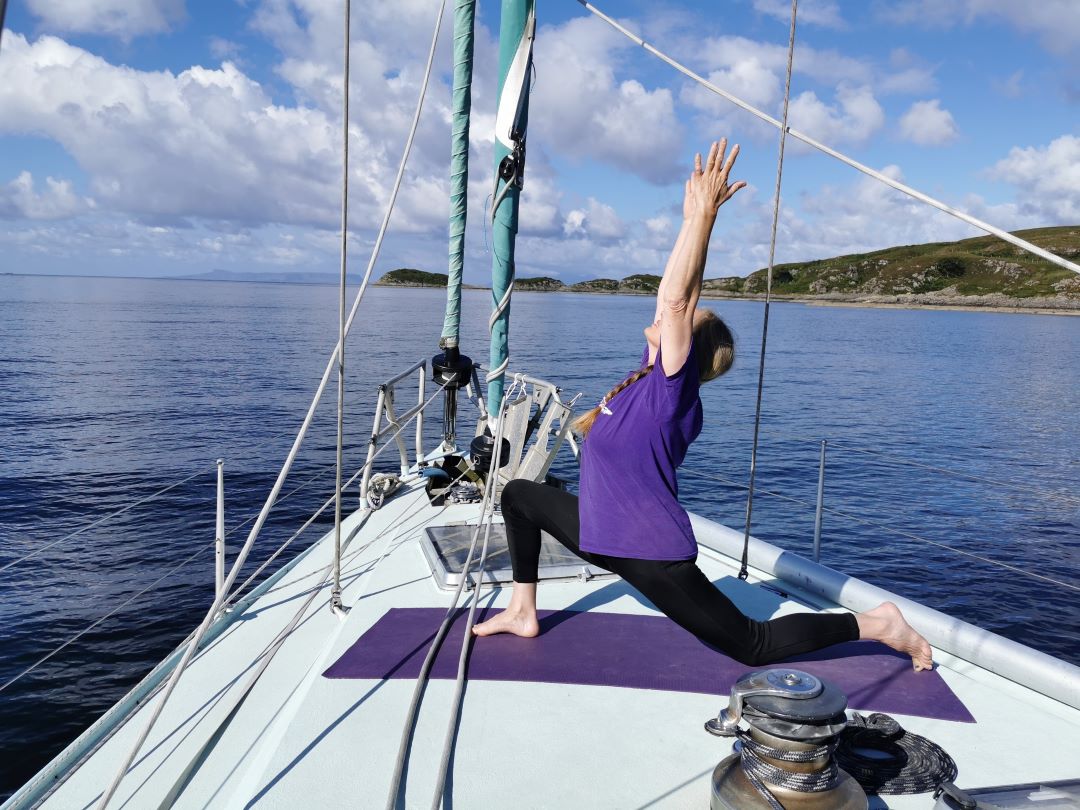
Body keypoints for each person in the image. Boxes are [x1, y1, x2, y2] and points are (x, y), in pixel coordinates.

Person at [473, 139, 933, 672]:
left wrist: (705, 219)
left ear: (687, 350)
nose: (669, 316)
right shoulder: (644, 376)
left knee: (752, 645)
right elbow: (674, 295)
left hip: (649, 554)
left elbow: (675, 299)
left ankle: (880, 624)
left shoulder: (672, 394)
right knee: (521, 498)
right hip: (601, 532)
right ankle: (522, 610)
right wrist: (688, 215)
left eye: (683, 322)